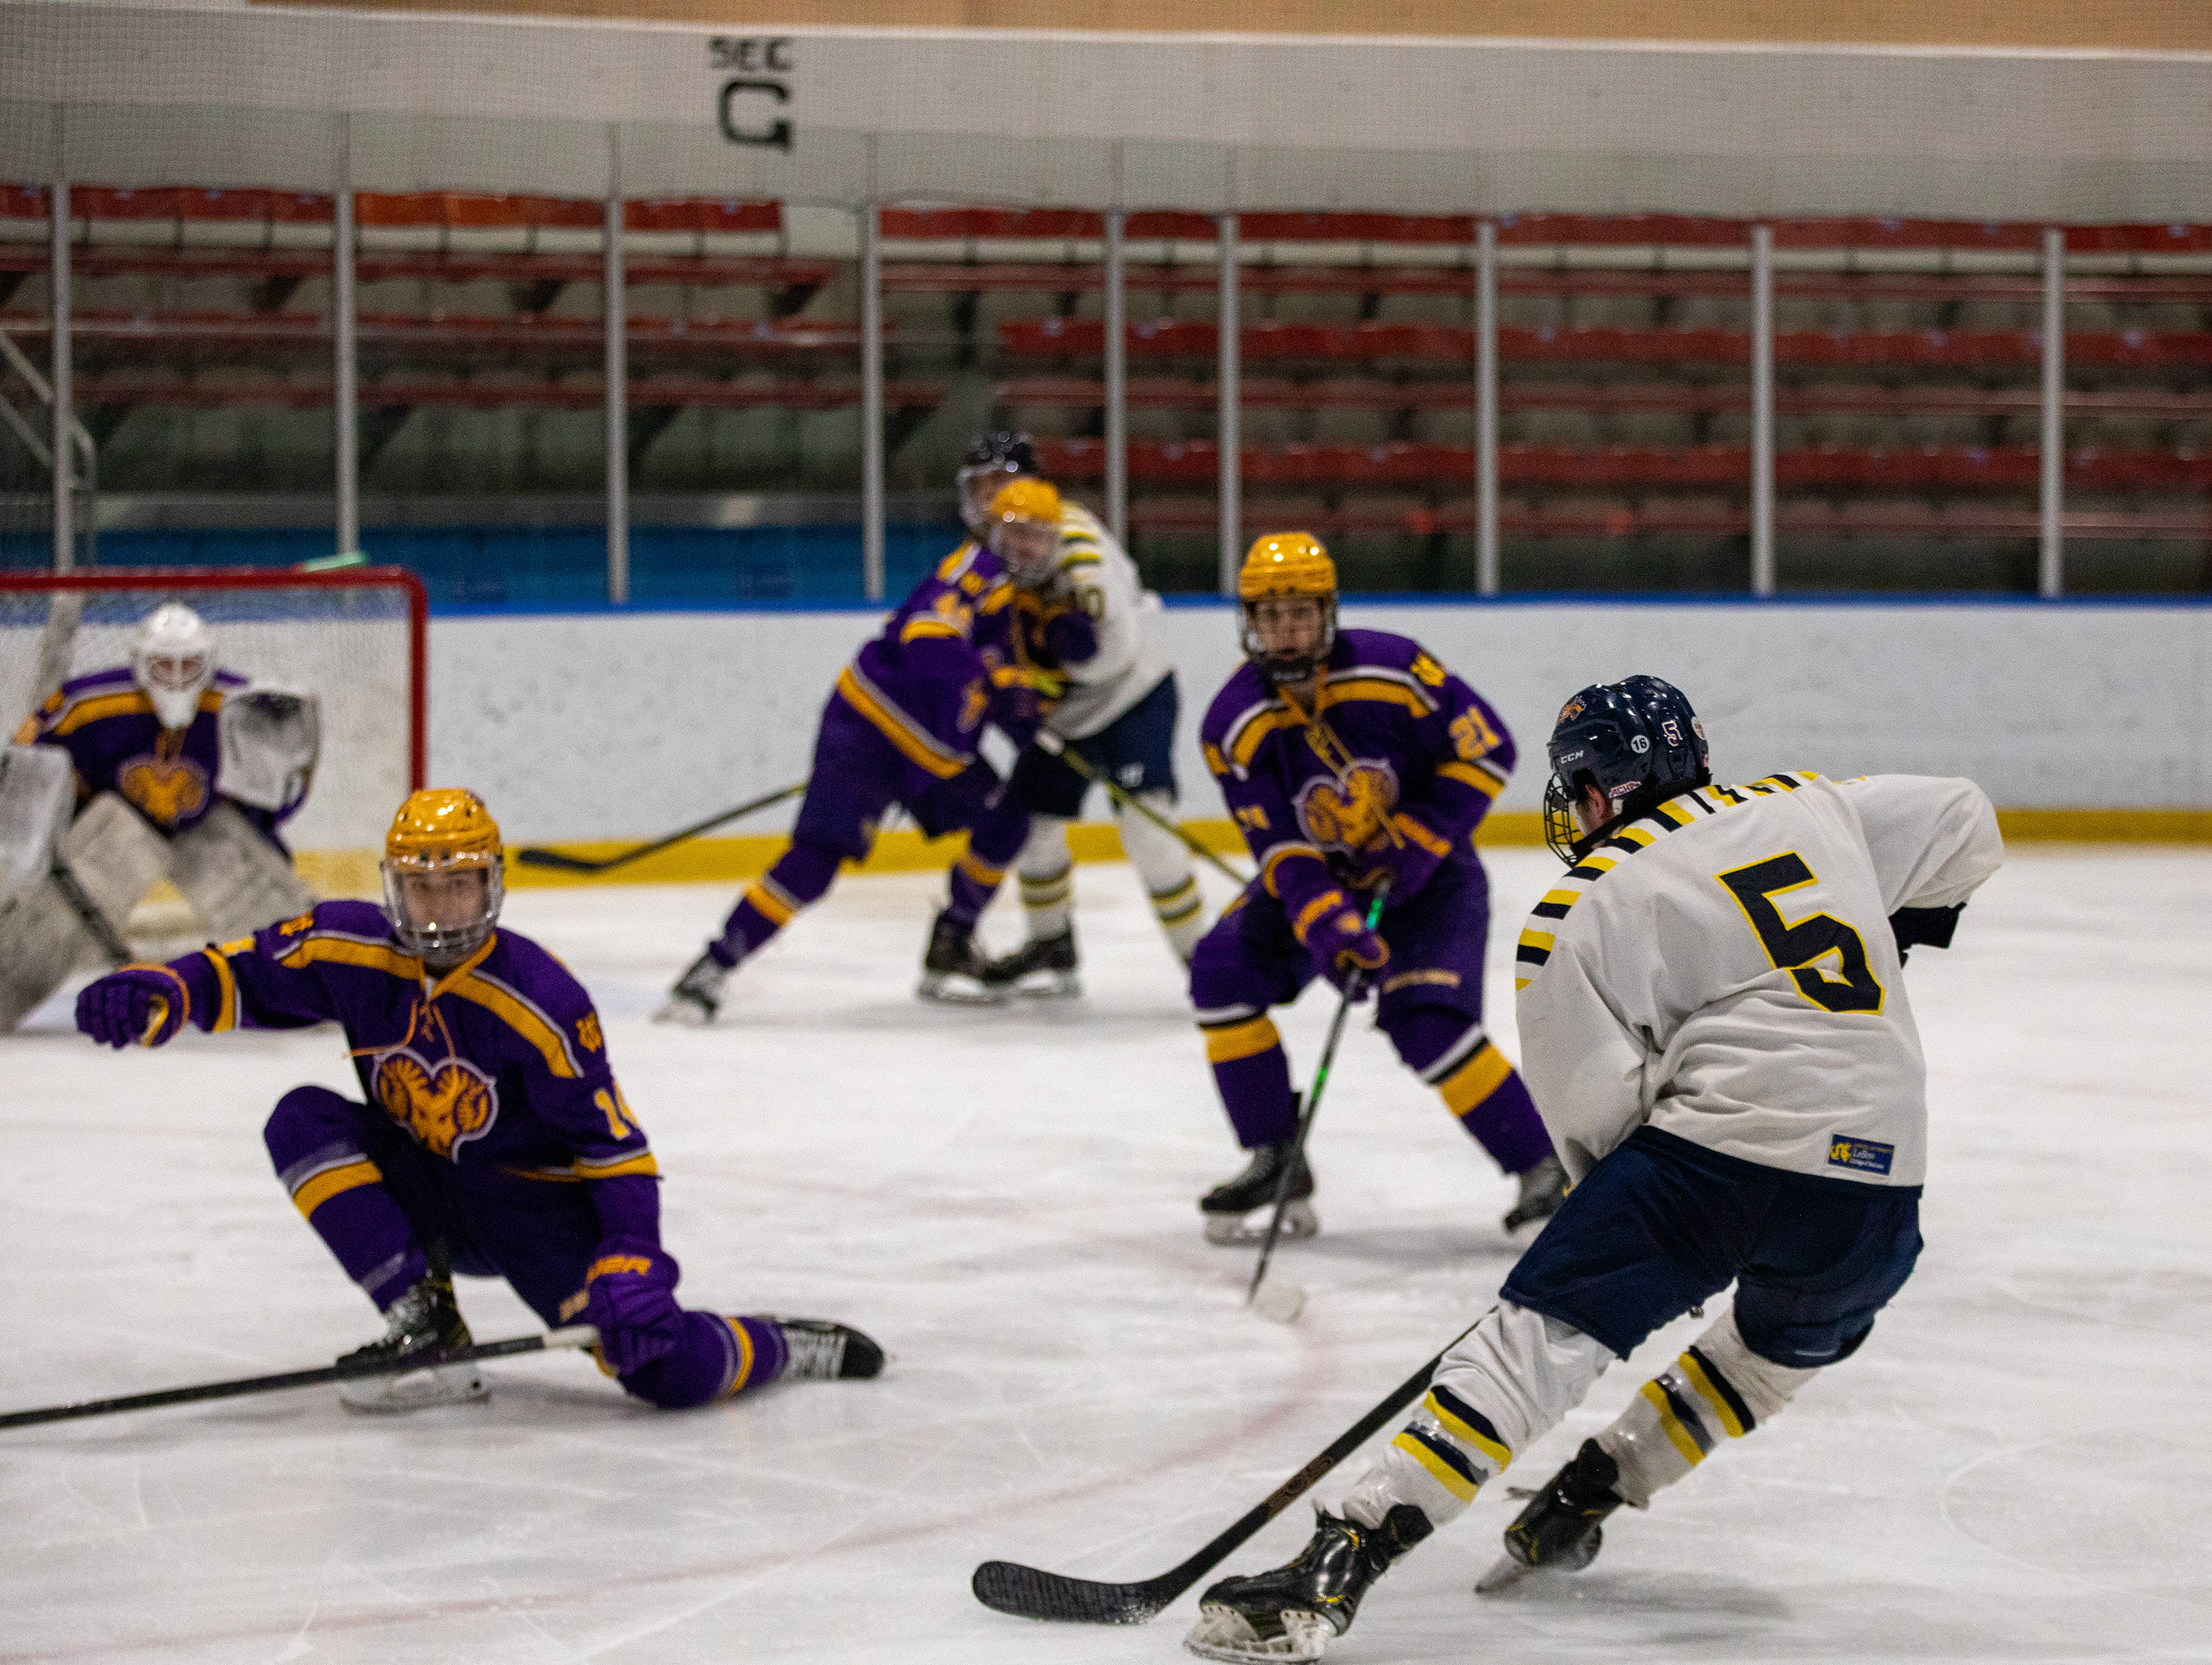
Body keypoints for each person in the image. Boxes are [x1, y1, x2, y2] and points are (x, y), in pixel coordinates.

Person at [1185, 674, 2002, 1665]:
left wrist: (1599, 1244)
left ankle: (1341, 1559)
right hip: (1883, 1193)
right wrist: (1894, 926)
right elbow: (1965, 817)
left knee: (1535, 1344)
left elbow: (1593, 1125)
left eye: (1575, 787)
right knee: (1771, 1353)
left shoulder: (1579, 905)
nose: (1569, 809)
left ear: (1609, 790)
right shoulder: (1811, 804)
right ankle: (1590, 1494)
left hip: (1714, 1168)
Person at [72, 787, 882, 1414]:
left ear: (491, 886)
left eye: (459, 887)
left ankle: (778, 1342)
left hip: (534, 1214)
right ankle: (425, 1322)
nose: (440, 909)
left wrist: (631, 1254)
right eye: (422, 890)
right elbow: (242, 972)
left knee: (658, 1368)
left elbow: (613, 1148)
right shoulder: (350, 944)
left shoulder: (538, 998)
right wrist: (164, 992)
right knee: (302, 1119)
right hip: (427, 1184)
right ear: (393, 890)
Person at [1188, 531, 1563, 1244]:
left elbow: (1489, 749)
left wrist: (1416, 839)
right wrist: (1329, 925)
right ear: (1248, 622)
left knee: (1425, 1022)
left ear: (1327, 610)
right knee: (1221, 971)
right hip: (1324, 883)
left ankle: (1542, 1163)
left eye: (1299, 613)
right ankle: (1276, 1156)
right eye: (1270, 616)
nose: (1286, 631)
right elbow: (1283, 850)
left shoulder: (1397, 669)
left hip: (1432, 877)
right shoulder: (1232, 726)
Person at [655, 478, 1080, 1019]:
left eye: (1040, 538)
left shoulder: (1013, 598)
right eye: (1019, 533)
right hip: (871, 732)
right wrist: (997, 687)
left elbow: (991, 680)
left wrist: (1022, 717)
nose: (1029, 548)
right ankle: (711, 969)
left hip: (934, 756)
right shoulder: (973, 575)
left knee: (1009, 813)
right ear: (992, 529)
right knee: (815, 861)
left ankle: (952, 945)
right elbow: (929, 647)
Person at [0, 601, 320, 1034]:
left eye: (189, 666)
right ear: (140, 665)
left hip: (202, 827)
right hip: (117, 829)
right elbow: (29, 767)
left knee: (249, 878)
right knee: (99, 860)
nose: (177, 678)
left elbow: (270, 799)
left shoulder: (239, 706)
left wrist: (264, 846)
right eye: (164, 666)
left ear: (209, 664)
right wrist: (45, 829)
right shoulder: (87, 704)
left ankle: (307, 986)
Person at [941, 433, 1206, 998]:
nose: (987, 501)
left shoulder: (1076, 549)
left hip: (1132, 698)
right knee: (1034, 827)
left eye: (998, 485)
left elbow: (1116, 651)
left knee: (1147, 832)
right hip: (1064, 717)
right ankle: (1051, 944)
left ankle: (1201, 962)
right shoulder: (992, 558)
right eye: (979, 489)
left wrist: (1041, 684)